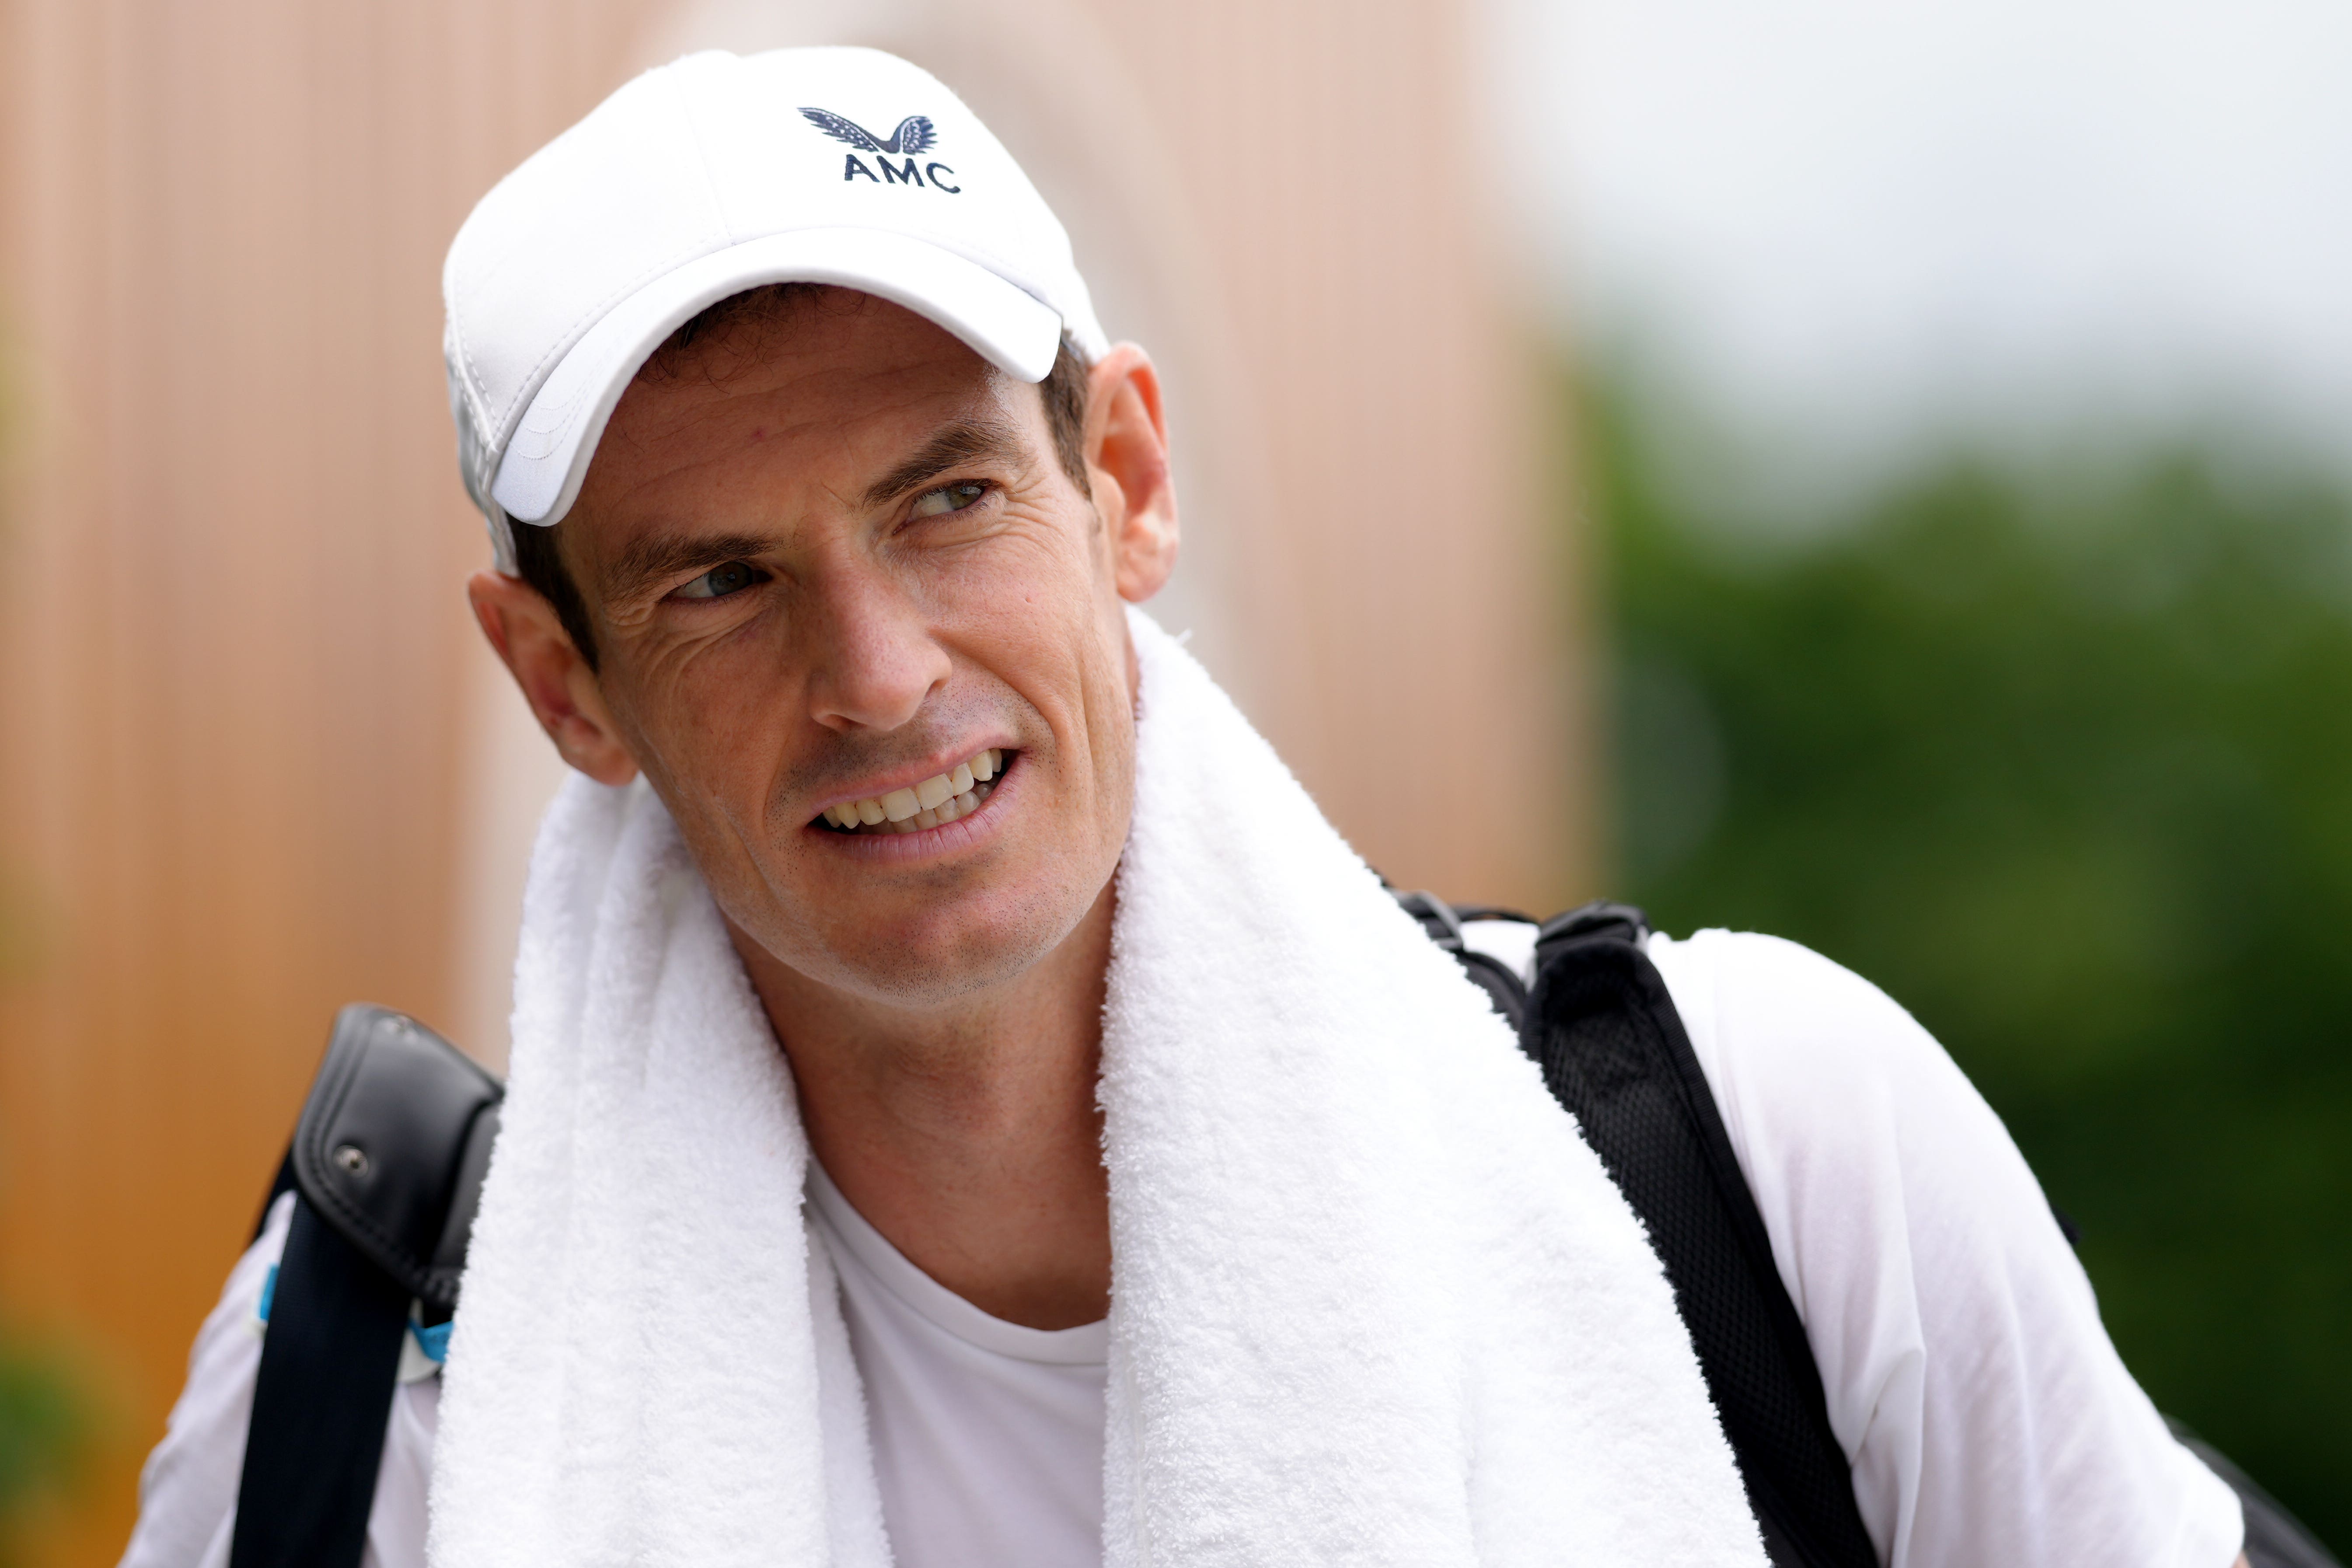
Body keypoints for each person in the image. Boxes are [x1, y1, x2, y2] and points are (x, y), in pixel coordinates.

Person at [120, 45, 2247, 1568]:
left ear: (1121, 481)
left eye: (944, 500)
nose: (877, 678)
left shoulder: (1772, 1155)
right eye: (721, 584)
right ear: (561, 677)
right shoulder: (373, 1388)